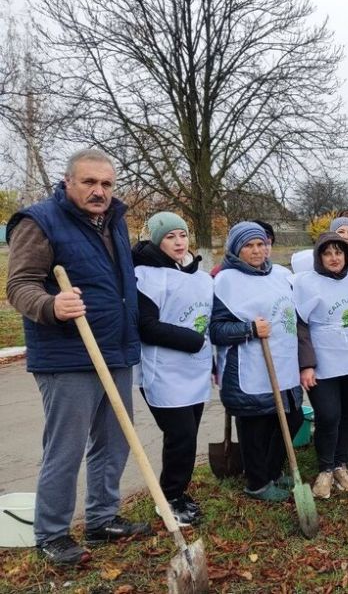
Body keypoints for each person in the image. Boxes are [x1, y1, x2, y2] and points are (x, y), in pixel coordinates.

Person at [5, 149, 151, 565]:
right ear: (68, 182)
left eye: (106, 184)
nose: (99, 191)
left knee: (114, 441)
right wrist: (52, 306)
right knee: (65, 448)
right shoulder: (39, 221)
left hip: (116, 349)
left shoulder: (115, 222)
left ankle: (103, 519)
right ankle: (51, 533)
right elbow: (19, 285)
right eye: (89, 182)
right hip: (67, 355)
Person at [210, 222, 304, 502]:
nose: (257, 250)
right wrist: (248, 329)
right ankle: (257, 482)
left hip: (283, 364)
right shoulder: (225, 281)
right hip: (248, 367)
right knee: (256, 426)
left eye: (260, 244)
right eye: (249, 245)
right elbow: (215, 330)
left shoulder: (281, 275)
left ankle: (272, 472)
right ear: (236, 250)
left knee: (292, 416)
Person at [131, 212, 212, 526]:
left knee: (188, 436)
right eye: (170, 237)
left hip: (195, 370)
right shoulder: (146, 276)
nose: (179, 242)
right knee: (180, 435)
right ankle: (168, 498)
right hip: (163, 370)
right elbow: (147, 326)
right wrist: (192, 340)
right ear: (156, 240)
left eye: (182, 235)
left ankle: (178, 493)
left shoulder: (200, 276)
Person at [293, 233, 348, 499]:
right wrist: (306, 365)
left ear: (347, 256)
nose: (334, 258)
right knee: (328, 415)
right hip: (323, 362)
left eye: (339, 252)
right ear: (319, 257)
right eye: (328, 253)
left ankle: (340, 463)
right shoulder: (305, 284)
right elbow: (300, 326)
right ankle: (325, 468)